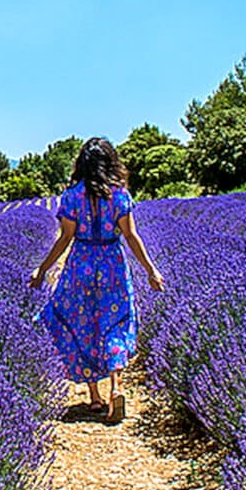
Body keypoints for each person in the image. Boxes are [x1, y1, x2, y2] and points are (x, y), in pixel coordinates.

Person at [28, 137, 164, 424]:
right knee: (114, 323)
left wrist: (42, 270)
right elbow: (130, 236)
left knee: (82, 323)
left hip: (82, 264)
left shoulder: (72, 196)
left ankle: (94, 396)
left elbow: (65, 238)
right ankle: (115, 387)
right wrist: (151, 270)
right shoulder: (119, 195)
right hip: (112, 264)